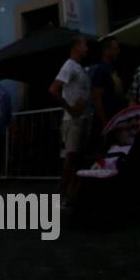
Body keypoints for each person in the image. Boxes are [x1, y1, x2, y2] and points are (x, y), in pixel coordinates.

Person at [49, 34, 91, 207]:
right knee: (70, 157)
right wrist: (70, 109)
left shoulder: (79, 68)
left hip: (80, 118)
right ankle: (61, 195)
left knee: (75, 159)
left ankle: (71, 196)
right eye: (84, 45)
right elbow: (53, 89)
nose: (87, 49)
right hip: (72, 120)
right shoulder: (69, 66)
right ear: (76, 47)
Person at [90, 37, 125, 132]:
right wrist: (105, 124)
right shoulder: (100, 71)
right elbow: (97, 100)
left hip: (115, 120)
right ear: (106, 51)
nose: (118, 51)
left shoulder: (112, 69)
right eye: (115, 48)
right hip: (107, 123)